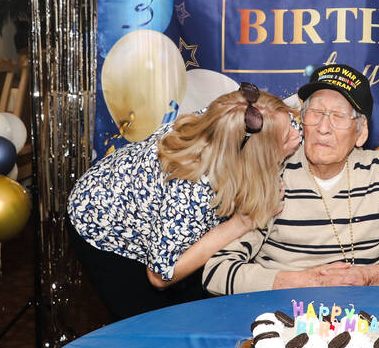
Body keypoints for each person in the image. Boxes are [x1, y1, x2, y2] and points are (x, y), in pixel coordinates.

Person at [204, 64, 379, 295]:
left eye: (338, 116)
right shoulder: (273, 176)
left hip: (365, 318)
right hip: (283, 314)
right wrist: (300, 281)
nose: (323, 127)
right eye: (315, 112)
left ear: (361, 132)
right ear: (302, 120)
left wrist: (374, 275)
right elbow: (217, 272)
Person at [68, 83, 297, 320]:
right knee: (157, 325)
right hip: (102, 222)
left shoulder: (241, 121)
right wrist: (242, 223)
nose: (296, 134)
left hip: (162, 218)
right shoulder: (193, 189)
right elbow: (160, 274)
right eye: (287, 136)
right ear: (256, 155)